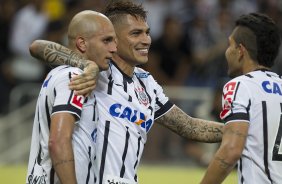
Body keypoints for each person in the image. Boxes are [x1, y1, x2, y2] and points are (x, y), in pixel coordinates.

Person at [29, 1, 223, 184]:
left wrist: (238, 130)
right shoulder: (97, 70)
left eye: (147, 33)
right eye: (136, 33)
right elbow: (38, 46)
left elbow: (189, 127)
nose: (146, 40)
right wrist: (86, 64)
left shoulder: (147, 84)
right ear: (115, 38)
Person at [26, 10, 117, 184]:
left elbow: (36, 47)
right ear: (82, 43)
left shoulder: (59, 73)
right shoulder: (75, 77)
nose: (114, 48)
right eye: (106, 40)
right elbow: (58, 142)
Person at [200, 13, 282, 184]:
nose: (227, 51)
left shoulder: (240, 86)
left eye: (230, 45)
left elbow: (231, 150)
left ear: (240, 51)